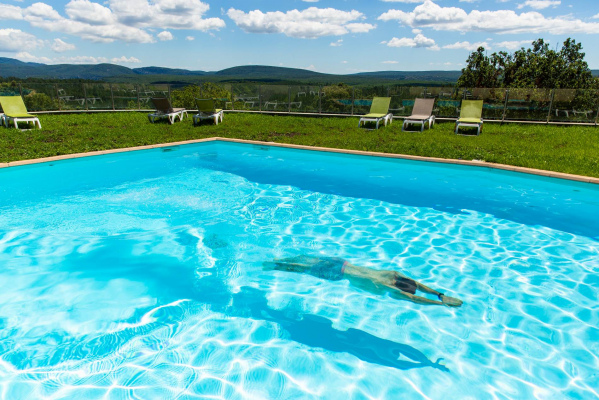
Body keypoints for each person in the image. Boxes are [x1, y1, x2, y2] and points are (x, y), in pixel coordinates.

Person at [264, 255, 463, 307]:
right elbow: (414, 298)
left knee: (305, 259)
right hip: (337, 274)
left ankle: (277, 259)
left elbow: (416, 284)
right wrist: (439, 303)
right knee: (303, 270)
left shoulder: (392, 274)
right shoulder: (387, 287)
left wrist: (440, 293)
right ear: (400, 290)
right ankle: (270, 265)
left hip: (341, 262)